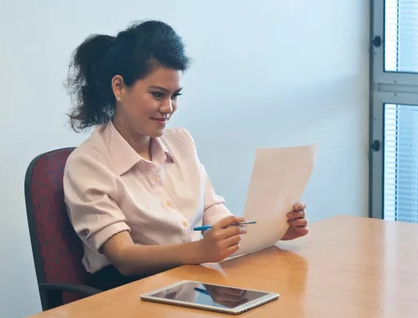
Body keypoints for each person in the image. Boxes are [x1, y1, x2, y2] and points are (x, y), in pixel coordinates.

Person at [62, 20, 308, 291]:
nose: (168, 107)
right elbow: (124, 257)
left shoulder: (180, 142)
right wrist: (199, 252)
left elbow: (213, 212)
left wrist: (269, 232)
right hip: (131, 298)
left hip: (191, 286)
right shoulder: (88, 163)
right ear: (119, 87)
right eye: (157, 94)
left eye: (175, 95)